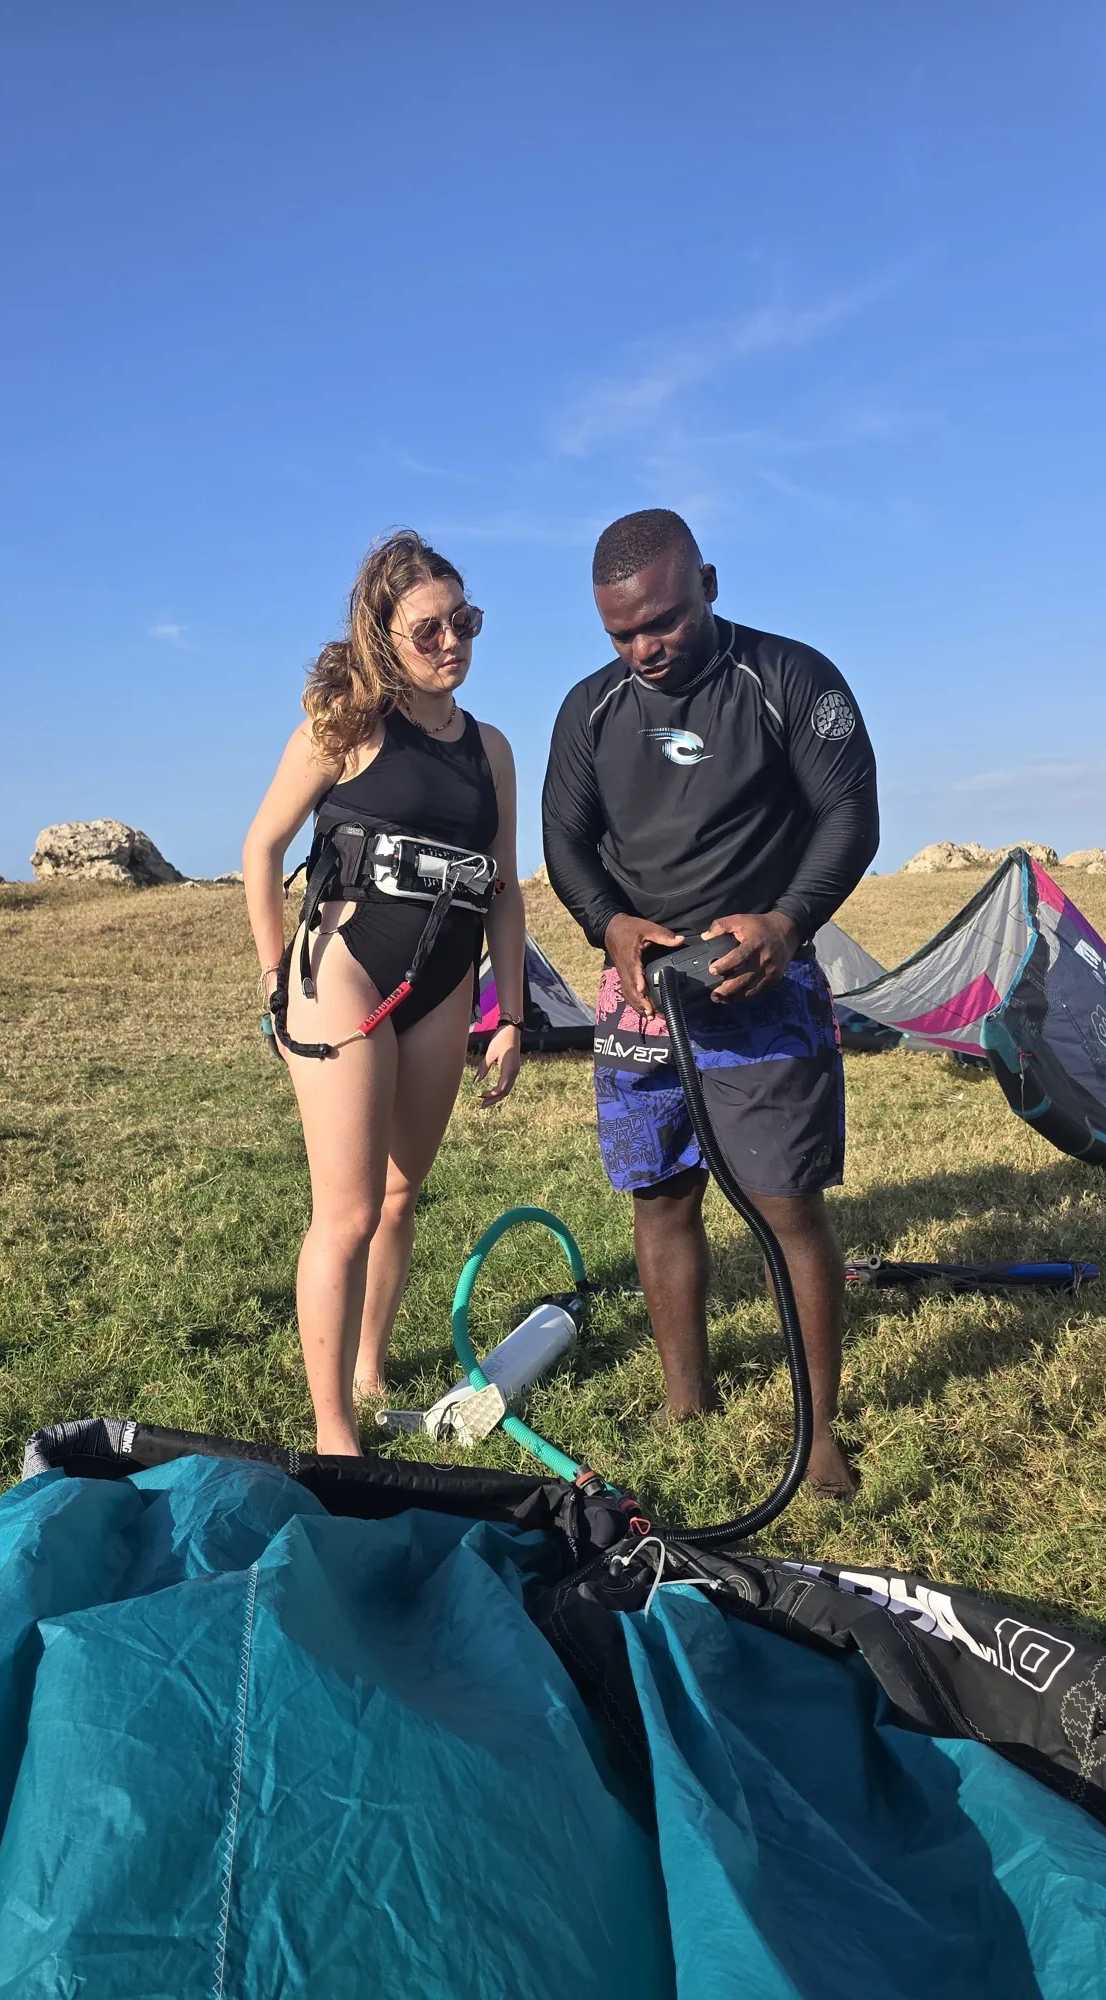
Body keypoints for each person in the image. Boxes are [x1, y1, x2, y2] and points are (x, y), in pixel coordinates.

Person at [542, 508, 878, 1496]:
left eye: (664, 622)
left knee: (784, 1203)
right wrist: (608, 922)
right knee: (662, 1193)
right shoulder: (590, 709)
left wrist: (787, 921)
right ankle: (688, 1398)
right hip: (644, 995)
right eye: (622, 634)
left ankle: (817, 1436)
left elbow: (849, 812)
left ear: (710, 586)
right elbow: (566, 840)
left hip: (763, 984)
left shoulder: (791, 679)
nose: (644, 648)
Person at [244, 531, 525, 1455]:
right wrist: (276, 978)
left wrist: (512, 1013)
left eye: (465, 621)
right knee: (349, 1210)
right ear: (381, 635)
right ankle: (334, 1431)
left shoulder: (492, 750)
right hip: (345, 970)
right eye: (429, 629)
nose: (453, 642)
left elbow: (504, 886)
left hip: (447, 981)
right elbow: (262, 850)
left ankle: (368, 1368)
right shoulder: (346, 726)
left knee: (403, 1195)